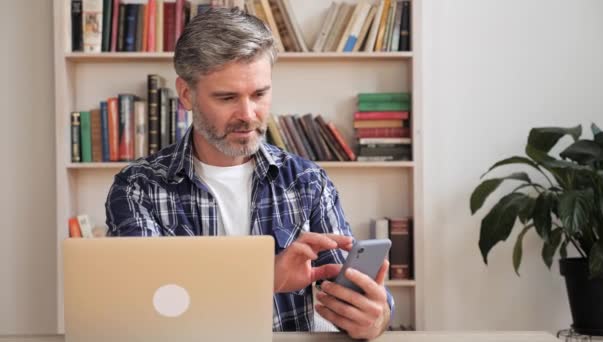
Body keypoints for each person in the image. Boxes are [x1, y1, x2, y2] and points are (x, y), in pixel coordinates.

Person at [105, 7, 393, 339]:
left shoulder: (307, 182)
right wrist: (264, 279)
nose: (248, 114)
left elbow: (355, 297)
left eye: (259, 94)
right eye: (227, 97)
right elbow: (143, 307)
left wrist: (376, 316)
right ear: (186, 94)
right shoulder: (138, 188)